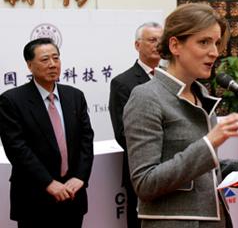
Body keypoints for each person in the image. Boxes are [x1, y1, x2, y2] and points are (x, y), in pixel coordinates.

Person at [123, 2, 238, 228]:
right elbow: (145, 183)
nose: (215, 52)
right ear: (175, 45)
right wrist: (209, 143)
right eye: (204, 42)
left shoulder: (201, 93)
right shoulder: (146, 97)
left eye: (216, 43)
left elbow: (201, 168)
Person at [0, 38, 94, 228]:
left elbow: (86, 139)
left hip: (72, 194)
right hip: (34, 197)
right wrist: (48, 183)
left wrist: (80, 177)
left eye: (56, 58)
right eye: (45, 59)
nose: (52, 64)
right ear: (29, 65)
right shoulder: (12, 100)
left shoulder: (75, 96)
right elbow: (17, 149)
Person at [109, 22, 163, 227]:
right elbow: (123, 134)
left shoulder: (172, 78)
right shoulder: (123, 82)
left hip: (176, 171)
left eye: (161, 40)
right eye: (152, 40)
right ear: (137, 45)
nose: (157, 45)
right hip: (142, 170)